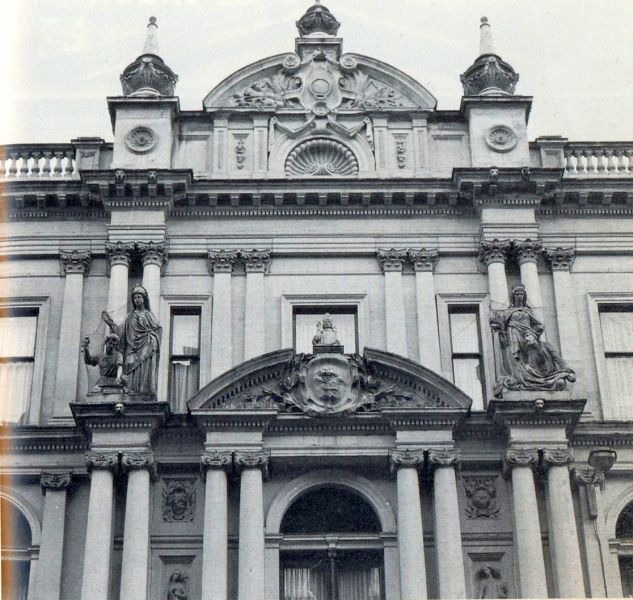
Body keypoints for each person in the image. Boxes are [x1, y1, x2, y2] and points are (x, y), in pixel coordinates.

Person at [490, 284, 575, 395]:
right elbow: (502, 322)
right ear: (513, 296)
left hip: (526, 332)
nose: (519, 296)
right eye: (517, 294)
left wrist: (533, 333)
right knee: (516, 356)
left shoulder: (528, 311)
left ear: (524, 296)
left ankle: (532, 377)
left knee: (530, 352)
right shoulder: (509, 311)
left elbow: (538, 324)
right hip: (514, 332)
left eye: (521, 294)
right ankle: (519, 377)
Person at [102, 285, 161, 395]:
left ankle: (143, 393)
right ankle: (130, 391)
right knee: (129, 363)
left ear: (144, 299)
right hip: (130, 348)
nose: (137, 299)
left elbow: (157, 330)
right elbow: (120, 331)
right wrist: (111, 324)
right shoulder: (129, 316)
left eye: (139, 297)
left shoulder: (149, 315)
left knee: (143, 371)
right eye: (135, 297)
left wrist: (152, 338)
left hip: (146, 346)